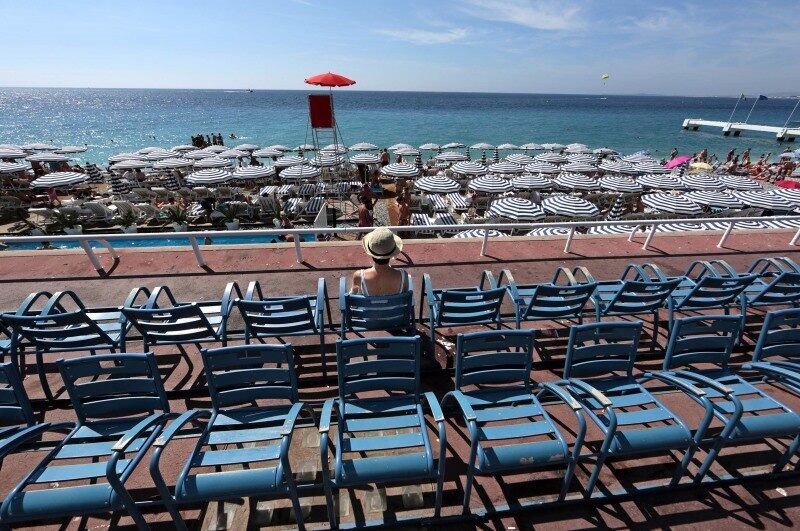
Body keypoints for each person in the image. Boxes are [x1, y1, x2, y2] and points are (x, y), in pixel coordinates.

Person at [350, 228, 409, 295]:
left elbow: (352, 295)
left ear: (371, 253)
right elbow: (406, 294)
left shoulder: (359, 276)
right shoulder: (403, 276)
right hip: (396, 305)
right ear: (391, 254)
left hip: (367, 305)